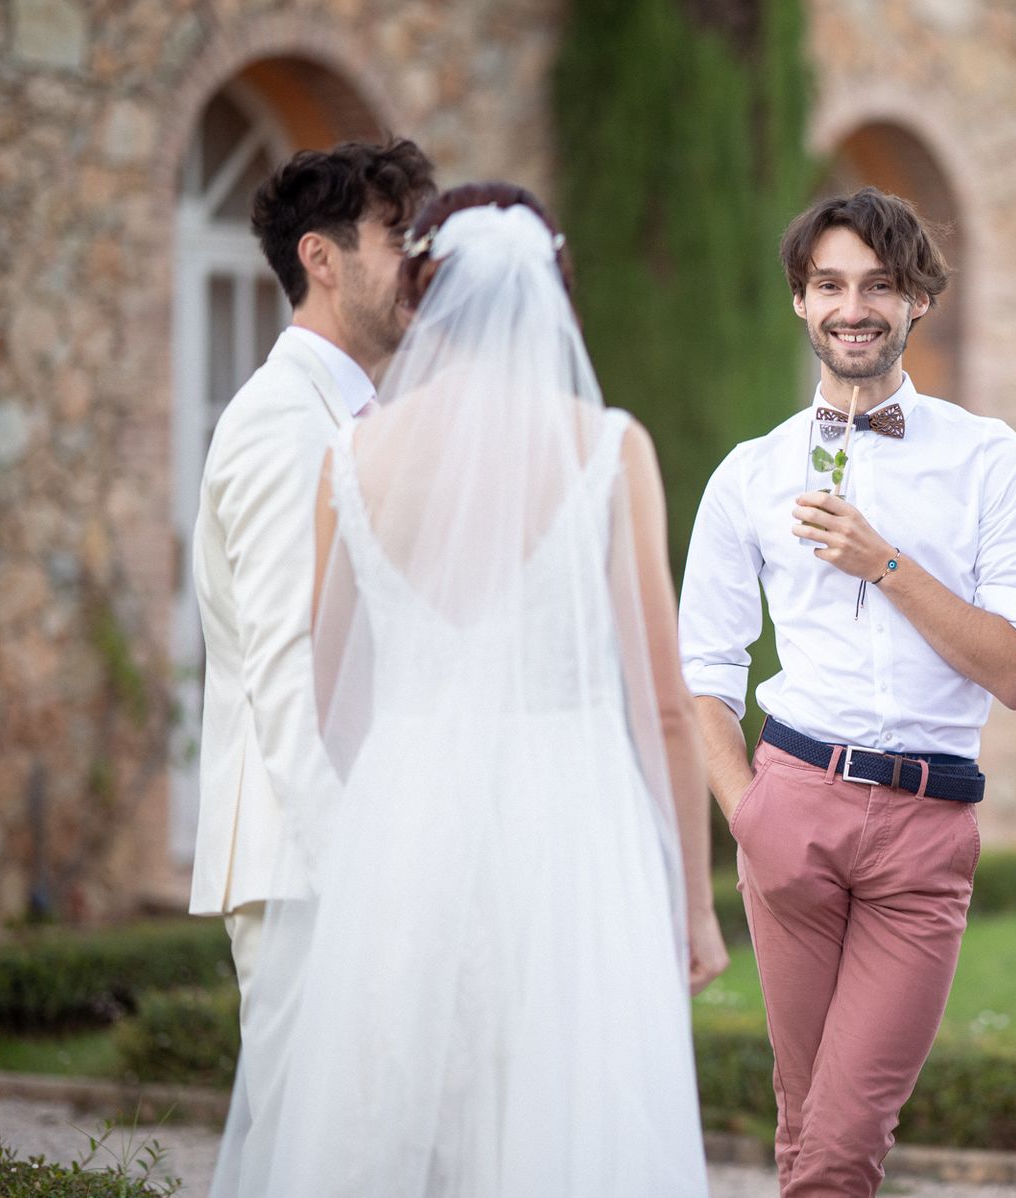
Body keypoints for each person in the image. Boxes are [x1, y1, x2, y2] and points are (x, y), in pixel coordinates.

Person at [210, 184, 727, 1197]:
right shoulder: (610, 448)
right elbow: (666, 707)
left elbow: (330, 684)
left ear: (424, 293)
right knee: (559, 1113)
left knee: (405, 1123)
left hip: (410, 819)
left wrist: (401, 790)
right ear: (554, 296)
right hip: (570, 826)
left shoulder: (353, 454)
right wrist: (690, 903)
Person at [679, 186, 1016, 1197]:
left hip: (925, 831)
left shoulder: (989, 460)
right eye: (831, 286)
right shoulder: (749, 475)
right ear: (801, 301)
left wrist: (883, 562)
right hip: (790, 809)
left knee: (842, 1141)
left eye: (880, 286)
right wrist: (748, 813)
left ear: (918, 299)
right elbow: (704, 670)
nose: (854, 308)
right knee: (808, 1127)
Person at [189, 137, 435, 1104]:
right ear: (321, 258)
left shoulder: (365, 419)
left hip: (368, 858)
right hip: (308, 871)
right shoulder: (280, 423)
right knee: (310, 1147)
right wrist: (363, 876)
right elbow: (290, 675)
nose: (416, 262)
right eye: (395, 237)